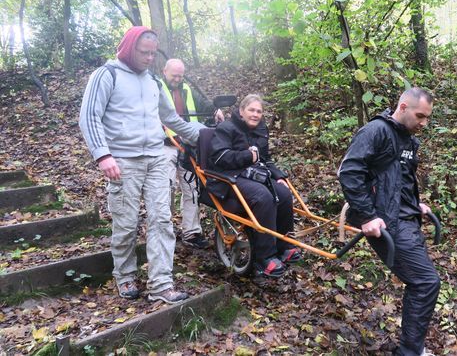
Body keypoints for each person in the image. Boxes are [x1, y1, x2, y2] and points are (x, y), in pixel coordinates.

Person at [79, 26, 205, 304]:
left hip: (157, 159)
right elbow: (89, 117)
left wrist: (206, 134)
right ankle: (125, 276)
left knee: (162, 219)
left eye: (152, 53)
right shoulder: (106, 75)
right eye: (144, 52)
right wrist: (103, 155)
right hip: (122, 161)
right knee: (126, 223)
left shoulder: (153, 82)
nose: (149, 58)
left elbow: (172, 120)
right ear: (129, 47)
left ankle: (161, 284)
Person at [338, 88, 441, 356]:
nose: (424, 123)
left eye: (427, 118)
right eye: (420, 116)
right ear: (403, 107)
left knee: (421, 282)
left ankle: (412, 348)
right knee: (425, 282)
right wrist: (367, 216)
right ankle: (410, 352)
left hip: (405, 217)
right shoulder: (376, 131)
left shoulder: (407, 139)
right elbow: (349, 171)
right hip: (387, 223)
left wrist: (415, 204)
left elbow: (399, 179)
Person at [207, 94, 301, 278]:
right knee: (263, 196)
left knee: (282, 192)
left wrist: (279, 176)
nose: (255, 114)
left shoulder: (260, 129)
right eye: (251, 110)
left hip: (253, 175)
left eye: (259, 111)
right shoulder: (226, 128)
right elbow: (218, 157)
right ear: (241, 111)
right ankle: (264, 257)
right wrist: (246, 156)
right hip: (228, 177)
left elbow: (265, 159)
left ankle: (285, 246)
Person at [160, 58, 224, 250]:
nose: (177, 79)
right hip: (165, 146)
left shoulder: (186, 89)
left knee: (192, 189)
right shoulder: (155, 89)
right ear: (164, 71)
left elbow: (203, 103)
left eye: (180, 76)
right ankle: (163, 229)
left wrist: (215, 110)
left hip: (188, 146)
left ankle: (191, 232)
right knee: (165, 189)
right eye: (174, 75)